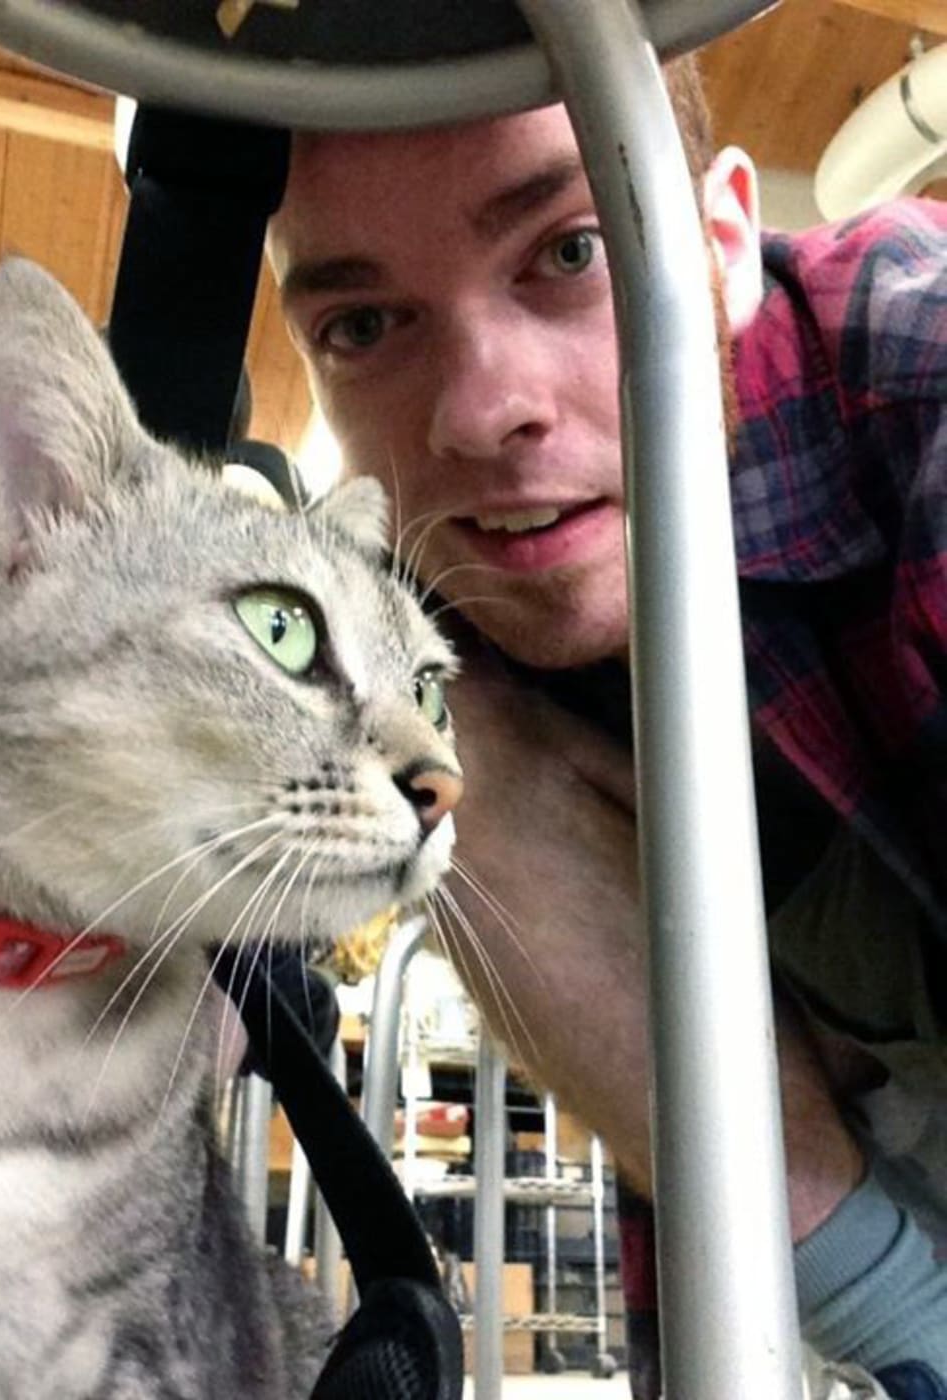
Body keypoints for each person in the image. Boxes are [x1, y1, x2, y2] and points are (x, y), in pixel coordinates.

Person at [267, 53, 947, 1398]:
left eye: (569, 251)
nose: (478, 412)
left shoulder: (912, 362)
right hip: (861, 1179)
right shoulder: (397, 605)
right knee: (419, 725)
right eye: (364, 327)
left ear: (721, 239)